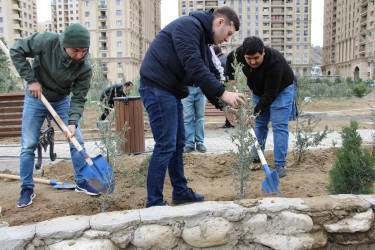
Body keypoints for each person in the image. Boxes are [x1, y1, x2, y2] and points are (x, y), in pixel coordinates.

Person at [139, 7, 244, 208]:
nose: (227, 40)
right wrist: (223, 92)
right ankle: (154, 202)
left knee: (177, 144)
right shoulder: (188, 26)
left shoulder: (202, 39)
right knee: (166, 145)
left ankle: (180, 191)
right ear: (220, 22)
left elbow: (209, 74)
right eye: (229, 34)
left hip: (170, 91)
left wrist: (223, 106)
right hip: (156, 87)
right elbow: (194, 67)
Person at [10, 23, 100, 208]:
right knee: (28, 145)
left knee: (77, 141)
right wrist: (31, 80)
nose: (79, 55)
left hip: (61, 101)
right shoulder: (46, 41)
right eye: (75, 51)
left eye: (84, 51)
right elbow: (16, 50)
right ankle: (27, 187)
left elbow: (79, 97)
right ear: (64, 45)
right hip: (36, 96)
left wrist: (73, 121)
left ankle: (82, 181)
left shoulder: (85, 67)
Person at [226, 36, 295, 178]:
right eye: (248, 58)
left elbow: (270, 94)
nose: (252, 62)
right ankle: (255, 155)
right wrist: (231, 80)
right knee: (260, 125)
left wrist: (253, 114)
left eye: (256, 58)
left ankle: (280, 163)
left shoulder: (275, 61)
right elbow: (229, 60)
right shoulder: (239, 53)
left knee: (279, 125)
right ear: (243, 54)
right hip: (258, 91)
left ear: (263, 52)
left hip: (281, 90)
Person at [182, 46, 223, 154]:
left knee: (200, 117)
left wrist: (218, 82)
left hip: (201, 89)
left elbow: (212, 66)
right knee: (187, 117)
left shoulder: (206, 50)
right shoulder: (186, 48)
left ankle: (200, 142)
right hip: (187, 89)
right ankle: (189, 143)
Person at [214, 46, 234, 129]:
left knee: (225, 104)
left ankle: (229, 123)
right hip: (230, 84)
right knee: (229, 104)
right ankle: (230, 122)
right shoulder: (226, 58)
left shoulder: (218, 60)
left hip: (224, 85)